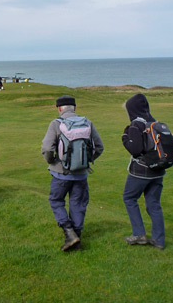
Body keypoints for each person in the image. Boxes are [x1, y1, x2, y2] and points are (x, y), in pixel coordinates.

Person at [41, 95, 104, 252]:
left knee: (56, 200)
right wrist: (86, 161)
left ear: (59, 108)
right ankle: (77, 237)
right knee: (78, 203)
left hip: (60, 174)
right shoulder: (87, 123)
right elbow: (99, 147)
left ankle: (69, 232)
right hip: (81, 174)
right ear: (75, 108)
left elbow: (48, 149)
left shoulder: (56, 124)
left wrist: (52, 162)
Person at [121, 93, 167, 250]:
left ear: (131, 110)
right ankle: (159, 241)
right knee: (154, 204)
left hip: (141, 171)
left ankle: (139, 234)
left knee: (129, 198)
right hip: (159, 170)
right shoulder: (155, 122)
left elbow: (135, 150)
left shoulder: (136, 124)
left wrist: (124, 138)